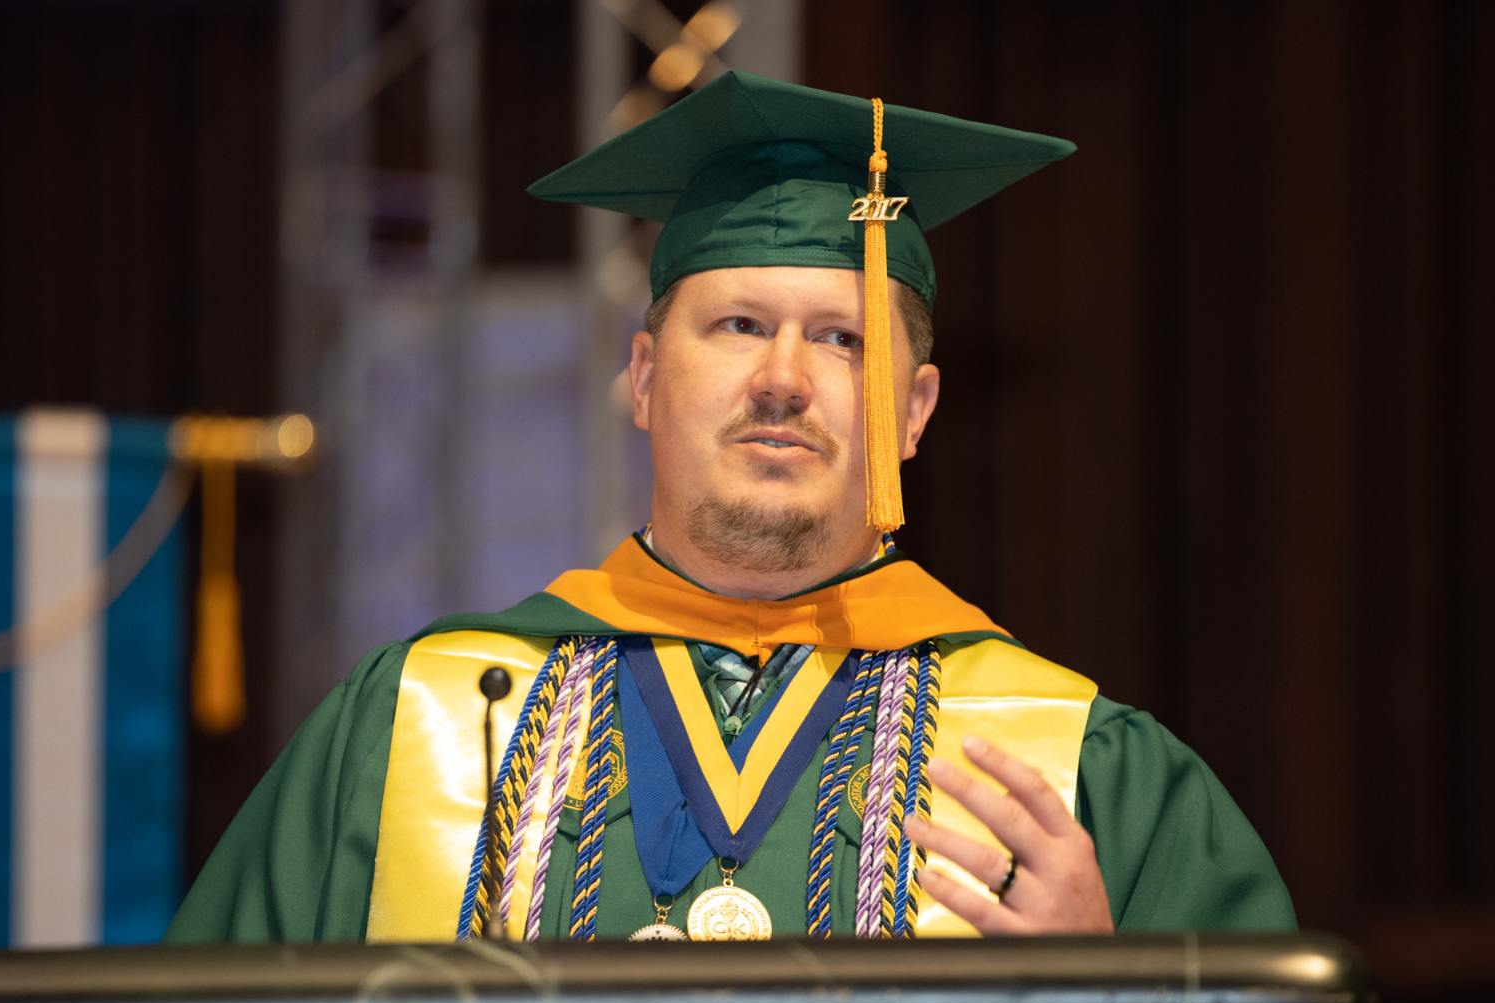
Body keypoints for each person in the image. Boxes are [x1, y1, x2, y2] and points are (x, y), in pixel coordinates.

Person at [166, 72, 1294, 944]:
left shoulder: (1084, 770)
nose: (786, 379)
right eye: (740, 325)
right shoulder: (416, 722)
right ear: (646, 377)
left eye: (843, 339)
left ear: (915, 410)